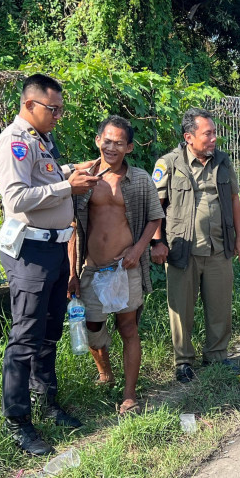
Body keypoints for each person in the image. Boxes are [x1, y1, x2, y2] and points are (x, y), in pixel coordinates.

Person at [0, 73, 99, 455]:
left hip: (54, 250)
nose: (58, 116)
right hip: (30, 253)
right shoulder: (15, 142)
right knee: (25, 337)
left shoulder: (40, 140)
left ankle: (46, 401)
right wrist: (67, 187)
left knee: (50, 330)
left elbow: (43, 177)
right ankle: (18, 422)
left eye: (60, 109)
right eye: (53, 109)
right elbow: (17, 198)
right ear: (29, 105)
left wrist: (69, 170)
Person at [67, 116, 164, 415]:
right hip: (92, 268)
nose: (111, 147)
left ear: (129, 147)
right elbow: (73, 228)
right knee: (92, 327)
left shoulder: (140, 179)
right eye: (107, 141)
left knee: (128, 327)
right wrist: (72, 273)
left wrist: (138, 249)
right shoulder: (82, 180)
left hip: (126, 268)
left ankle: (130, 394)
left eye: (119, 143)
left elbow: (155, 217)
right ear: (98, 140)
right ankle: (105, 373)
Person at [150, 108, 240, 383]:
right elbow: (155, 206)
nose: (214, 138)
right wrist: (157, 242)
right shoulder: (169, 163)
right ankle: (183, 361)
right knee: (181, 309)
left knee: (220, 306)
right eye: (208, 134)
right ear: (189, 137)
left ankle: (216, 354)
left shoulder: (223, 162)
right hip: (182, 250)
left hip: (219, 248)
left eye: (215, 133)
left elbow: (234, 200)